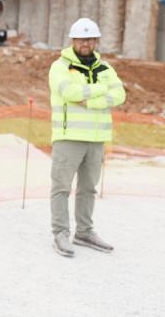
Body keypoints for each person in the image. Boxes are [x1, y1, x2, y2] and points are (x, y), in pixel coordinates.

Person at [48, 17, 126, 257]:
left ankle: (84, 232)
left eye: (90, 39)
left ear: (96, 41)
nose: (86, 43)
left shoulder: (105, 68)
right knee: (61, 187)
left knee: (88, 189)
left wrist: (90, 101)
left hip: (96, 139)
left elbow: (120, 94)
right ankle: (60, 233)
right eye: (81, 39)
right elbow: (69, 92)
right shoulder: (60, 66)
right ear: (73, 40)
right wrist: (102, 90)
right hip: (68, 137)